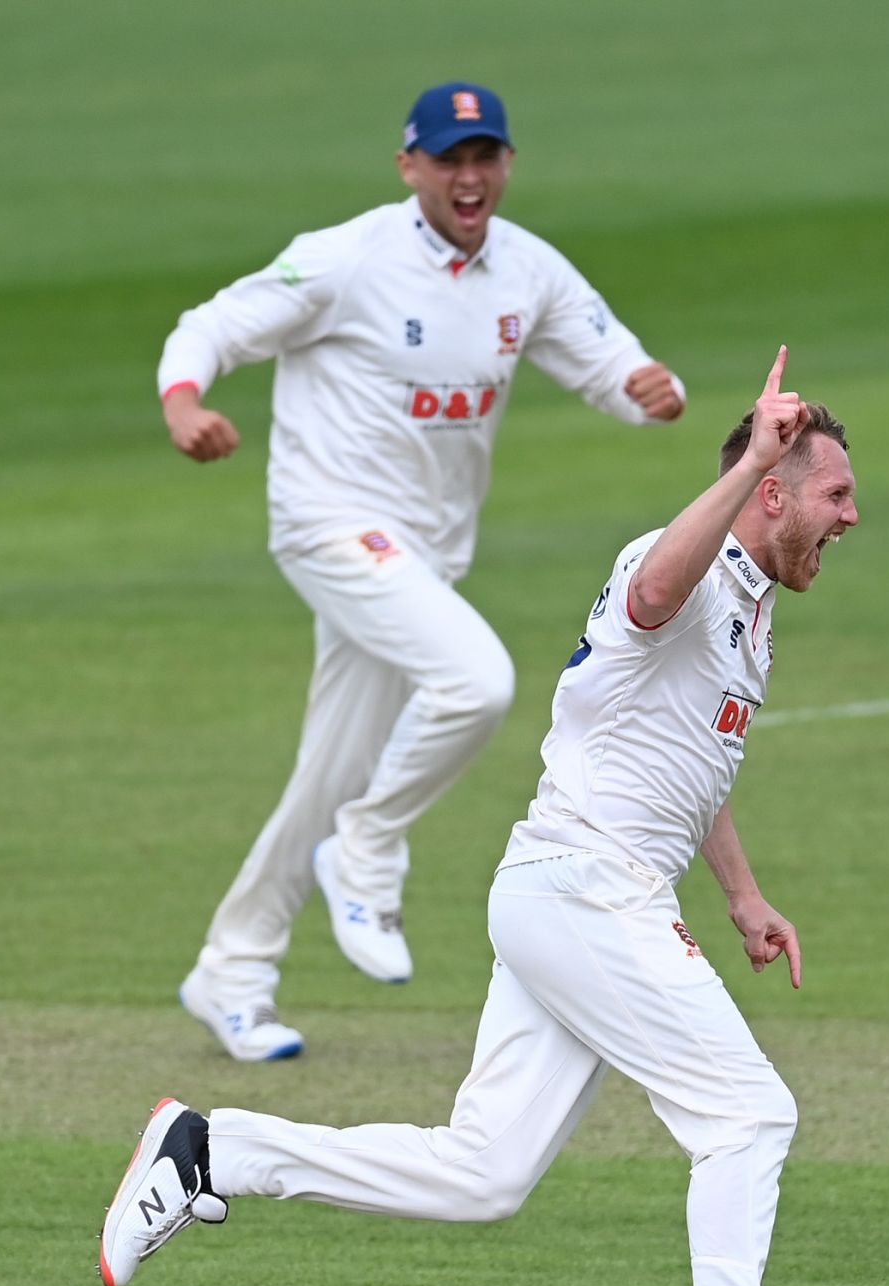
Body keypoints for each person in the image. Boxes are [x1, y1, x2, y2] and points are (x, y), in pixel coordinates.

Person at [101, 349, 887, 1286]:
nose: (852, 514)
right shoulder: (685, 568)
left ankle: (213, 1147)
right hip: (584, 888)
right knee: (748, 1114)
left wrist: (744, 892)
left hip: (571, 894)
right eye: (835, 494)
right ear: (772, 489)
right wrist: (752, 455)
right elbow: (658, 589)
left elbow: (688, 763)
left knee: (483, 1171)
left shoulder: (754, 608)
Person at [158, 81, 685, 1062]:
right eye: (449, 158)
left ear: (507, 165)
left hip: (425, 554)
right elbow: (214, 323)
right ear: (411, 168)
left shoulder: (527, 270)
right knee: (476, 681)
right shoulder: (348, 258)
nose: (469, 175)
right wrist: (184, 400)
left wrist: (653, 393)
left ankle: (233, 966)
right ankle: (368, 852)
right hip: (329, 523)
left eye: (485, 155)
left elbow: (612, 362)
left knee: (331, 769)